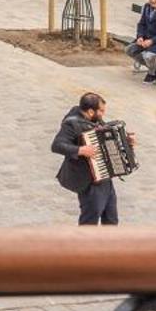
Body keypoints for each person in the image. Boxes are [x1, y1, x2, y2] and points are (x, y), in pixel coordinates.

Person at [51, 91, 135, 225]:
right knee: (90, 221)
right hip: (88, 182)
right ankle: (85, 245)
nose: (103, 114)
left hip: (104, 178)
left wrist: (126, 142)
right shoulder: (71, 124)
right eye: (101, 111)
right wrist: (80, 150)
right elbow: (57, 145)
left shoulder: (94, 119)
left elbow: (107, 136)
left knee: (111, 219)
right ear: (90, 111)